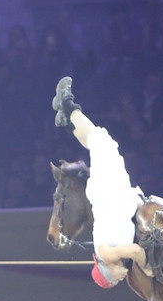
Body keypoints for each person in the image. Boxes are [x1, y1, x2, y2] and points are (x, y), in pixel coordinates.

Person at [51, 76, 152, 288]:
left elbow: (136, 251)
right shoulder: (112, 254)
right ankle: (68, 119)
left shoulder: (105, 254)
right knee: (98, 142)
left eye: (114, 279)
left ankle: (68, 106)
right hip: (116, 193)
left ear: (107, 272)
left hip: (109, 191)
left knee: (101, 141)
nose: (120, 279)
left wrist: (148, 269)